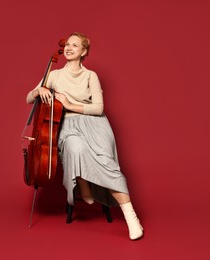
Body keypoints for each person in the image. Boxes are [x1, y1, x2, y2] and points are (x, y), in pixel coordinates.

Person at [26, 32, 143, 240]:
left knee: (107, 162)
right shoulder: (53, 75)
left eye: (75, 45)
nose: (69, 48)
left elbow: (98, 108)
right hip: (67, 126)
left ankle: (130, 216)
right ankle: (83, 186)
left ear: (84, 51)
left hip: (95, 125)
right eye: (67, 45)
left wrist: (70, 104)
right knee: (74, 147)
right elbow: (29, 98)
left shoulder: (91, 76)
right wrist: (40, 90)